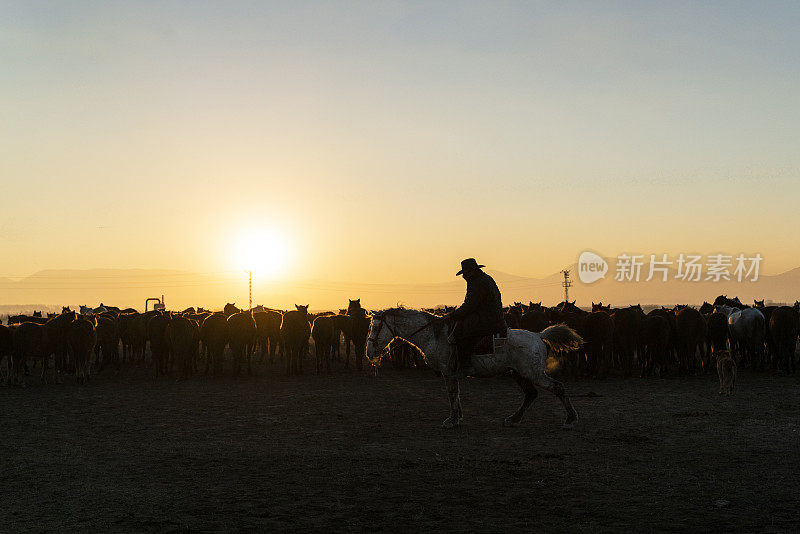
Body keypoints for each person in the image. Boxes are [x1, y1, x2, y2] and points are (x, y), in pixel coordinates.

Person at [443, 258, 507, 376]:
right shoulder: (485, 279)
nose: (464, 277)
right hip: (492, 316)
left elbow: (470, 305)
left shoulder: (477, 283)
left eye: (465, 273)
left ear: (471, 271)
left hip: (487, 319)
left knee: (461, 332)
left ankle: (465, 365)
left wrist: (452, 316)